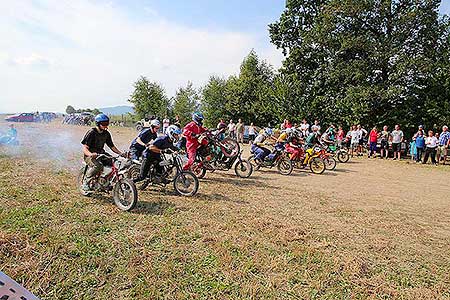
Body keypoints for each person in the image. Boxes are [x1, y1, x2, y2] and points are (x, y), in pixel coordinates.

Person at [80, 114, 125, 192]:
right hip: (90, 156)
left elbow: (112, 146)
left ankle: (105, 181)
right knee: (98, 166)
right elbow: (85, 148)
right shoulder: (91, 132)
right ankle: (85, 183)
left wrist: (120, 153)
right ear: (98, 123)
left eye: (107, 123)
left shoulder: (106, 134)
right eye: (103, 124)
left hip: (101, 153)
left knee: (116, 162)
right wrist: (91, 154)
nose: (106, 126)